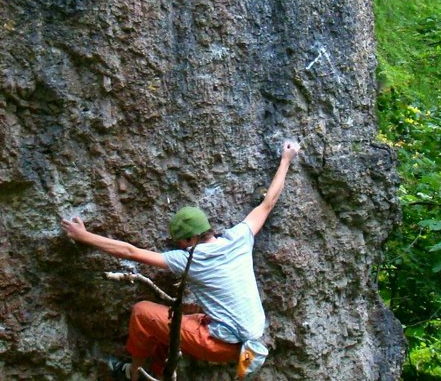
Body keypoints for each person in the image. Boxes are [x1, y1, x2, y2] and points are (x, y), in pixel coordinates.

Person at [60, 140, 300, 380]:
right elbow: (268, 203)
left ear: (190, 240)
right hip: (249, 341)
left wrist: (84, 236)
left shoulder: (190, 259)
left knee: (142, 312)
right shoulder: (240, 238)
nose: (179, 248)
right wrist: (286, 159)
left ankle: (133, 374)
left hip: (221, 344)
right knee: (174, 316)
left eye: (180, 243)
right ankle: (157, 373)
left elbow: (130, 252)